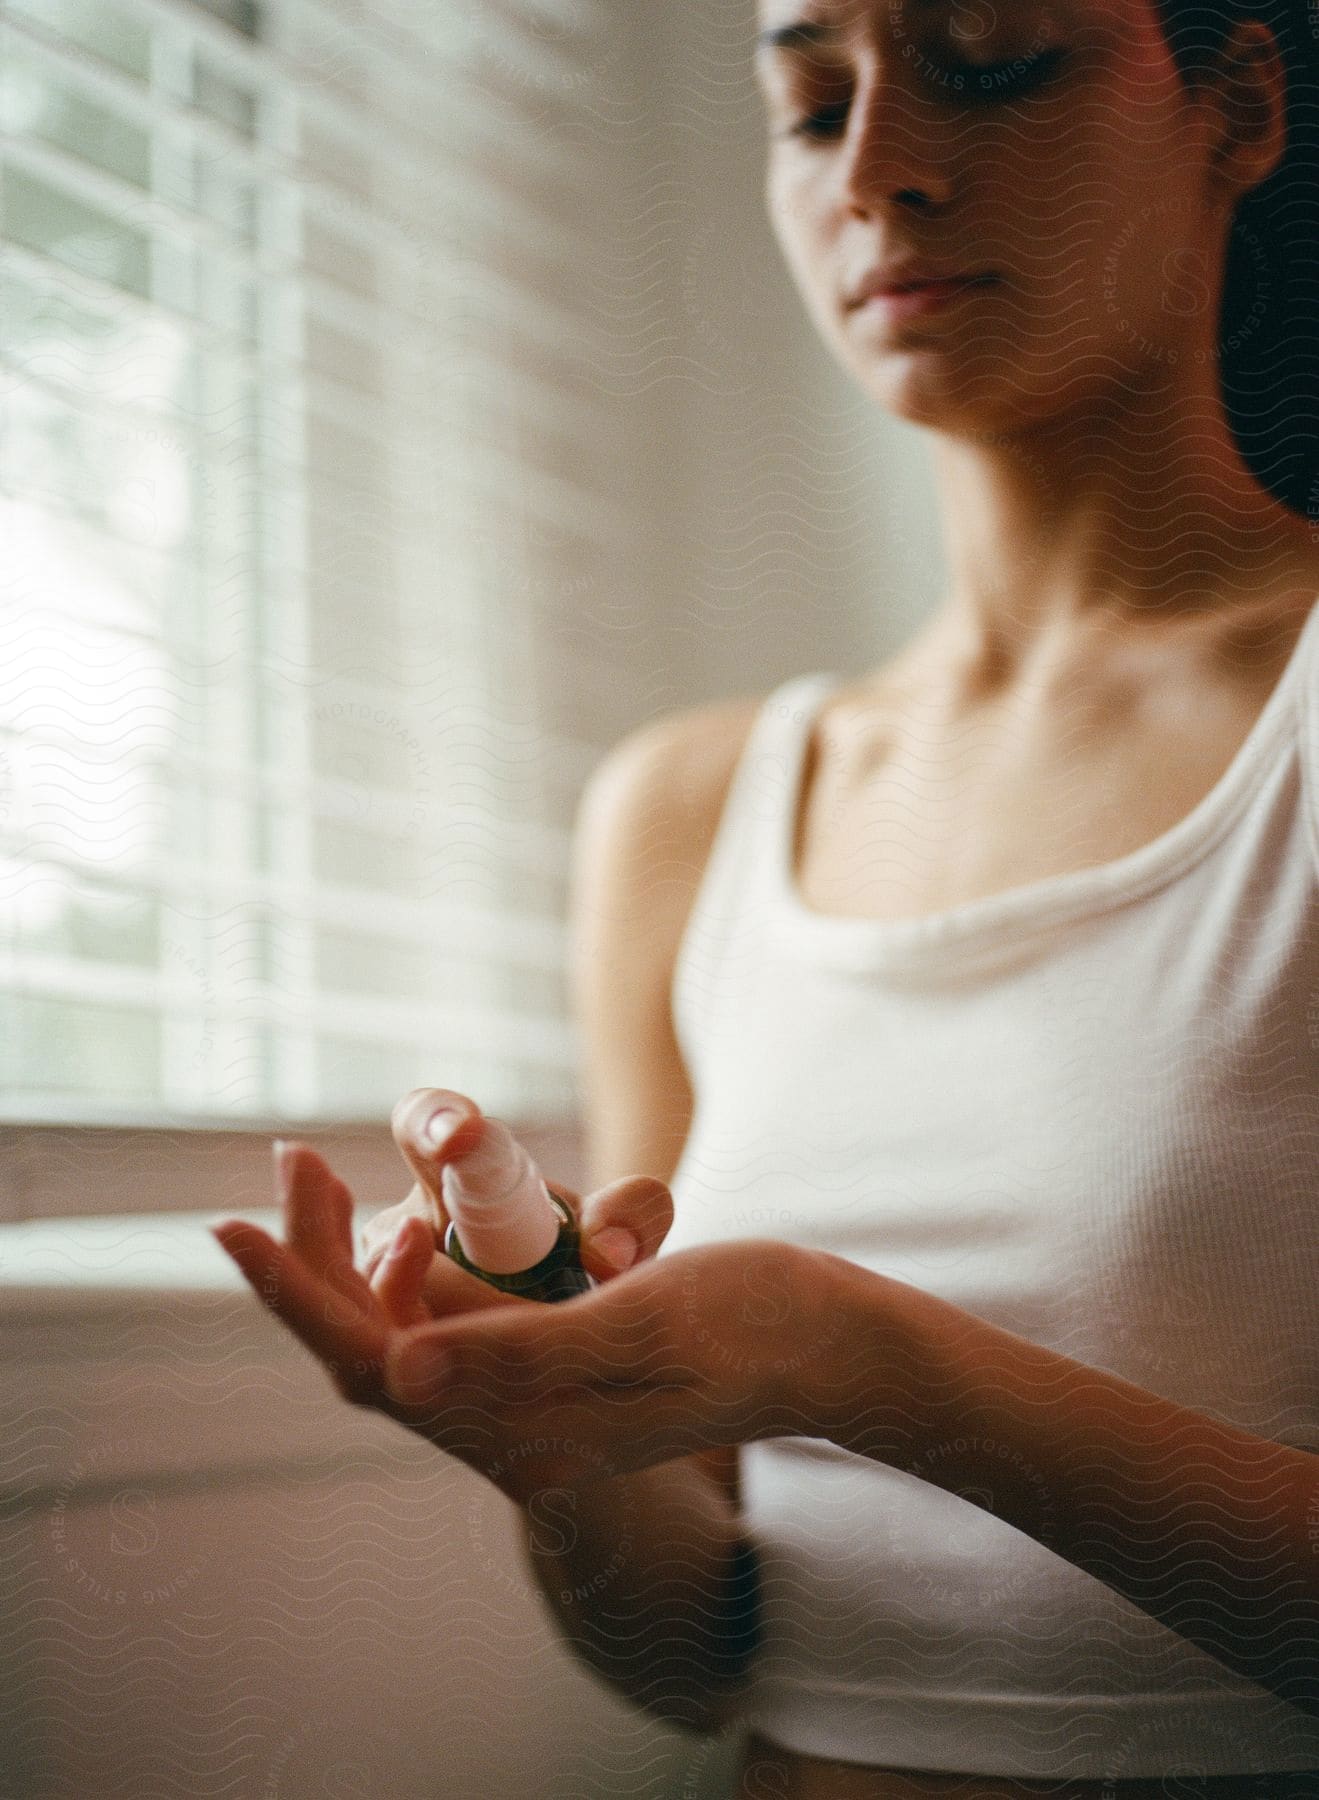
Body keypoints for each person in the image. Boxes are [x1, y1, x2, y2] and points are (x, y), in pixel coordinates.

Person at [212, 0, 1319, 1791]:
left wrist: (865, 1361)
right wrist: (563, 1452)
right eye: (812, 105)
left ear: (1242, 105)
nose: (881, 169)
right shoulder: (686, 811)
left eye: (996, 58)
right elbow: (700, 1654)